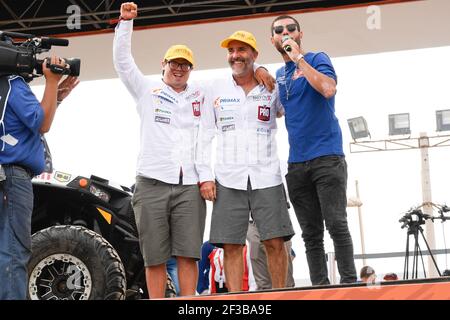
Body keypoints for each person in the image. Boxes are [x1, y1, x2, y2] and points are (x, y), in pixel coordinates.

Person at [113, 2, 207, 298]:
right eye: (174, 63)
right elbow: (123, 62)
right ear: (163, 65)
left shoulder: (200, 95)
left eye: (185, 65)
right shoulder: (146, 90)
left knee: (188, 253)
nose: (179, 69)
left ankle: (189, 303)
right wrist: (125, 23)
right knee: (154, 255)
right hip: (151, 182)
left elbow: (236, 84)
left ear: (190, 70)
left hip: (189, 185)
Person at [196, 30, 295, 292]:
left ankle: (279, 296)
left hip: (267, 176)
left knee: (275, 242)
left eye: (241, 50)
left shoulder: (270, 86)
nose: (235, 56)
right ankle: (235, 301)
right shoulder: (214, 87)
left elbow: (292, 109)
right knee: (231, 245)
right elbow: (204, 133)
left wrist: (264, 71)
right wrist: (205, 176)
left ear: (254, 54)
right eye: (231, 51)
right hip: (228, 178)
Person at [270, 15, 357, 285]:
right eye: (278, 30)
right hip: (297, 164)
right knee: (310, 234)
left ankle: (349, 284)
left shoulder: (317, 58)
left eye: (290, 29)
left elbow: (328, 89)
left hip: (327, 157)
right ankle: (320, 287)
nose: (285, 33)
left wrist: (299, 59)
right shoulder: (279, 75)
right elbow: (279, 111)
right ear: (272, 39)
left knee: (336, 224)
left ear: (300, 34)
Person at [0, 57, 79, 300]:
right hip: (12, 176)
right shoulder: (12, 83)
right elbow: (41, 123)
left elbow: (19, 123)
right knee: (14, 250)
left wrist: (56, 96)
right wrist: (52, 81)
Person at [247, 220, 296, 290]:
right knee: (263, 284)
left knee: (286, 283)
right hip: (251, 222)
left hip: (275, 219)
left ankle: (286, 292)